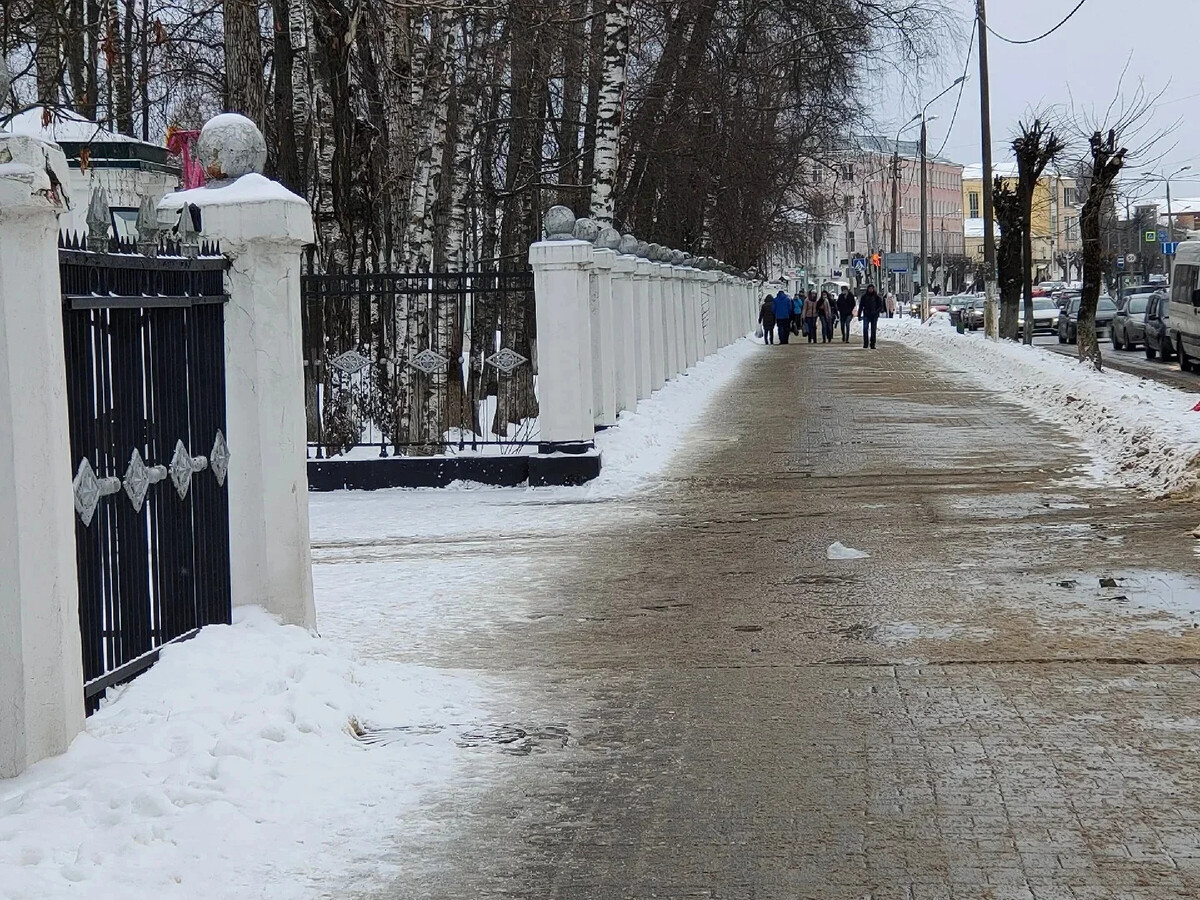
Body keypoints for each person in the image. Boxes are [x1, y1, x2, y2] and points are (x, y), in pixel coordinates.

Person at [859, 284, 885, 349]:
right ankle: (865, 343)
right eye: (869, 288)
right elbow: (861, 306)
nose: (870, 290)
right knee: (865, 329)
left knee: (873, 330)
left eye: (872, 289)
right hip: (866, 315)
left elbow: (880, 306)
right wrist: (859, 315)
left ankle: (872, 343)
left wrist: (876, 312)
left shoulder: (877, 297)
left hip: (874, 316)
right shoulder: (864, 297)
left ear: (873, 289)